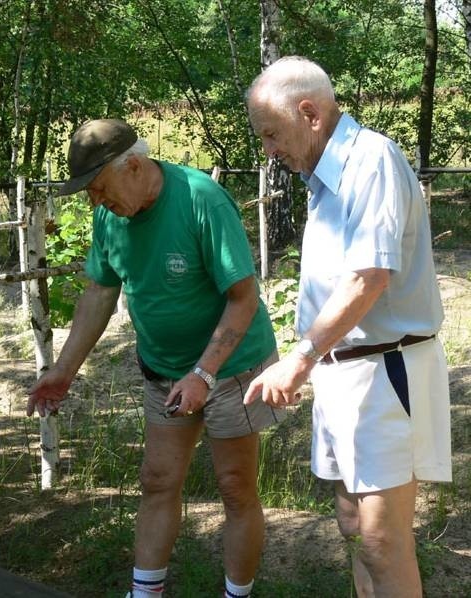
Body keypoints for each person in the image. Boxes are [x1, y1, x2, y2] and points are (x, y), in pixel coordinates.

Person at [26, 118, 284, 598]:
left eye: (99, 188)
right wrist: (62, 370)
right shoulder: (111, 215)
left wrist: (204, 373)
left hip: (232, 368)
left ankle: (237, 594)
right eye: (88, 193)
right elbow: (100, 292)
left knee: (234, 486)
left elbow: (244, 298)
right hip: (164, 370)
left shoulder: (200, 199)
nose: (95, 202)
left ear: (136, 166)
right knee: (158, 479)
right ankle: (146, 594)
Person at [244, 56, 452, 597]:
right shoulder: (325, 177)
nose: (269, 151)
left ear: (309, 113)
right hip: (343, 372)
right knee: (354, 528)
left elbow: (368, 278)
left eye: (271, 134)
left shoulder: (371, 161)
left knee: (383, 542)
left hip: (384, 371)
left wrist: (300, 357)